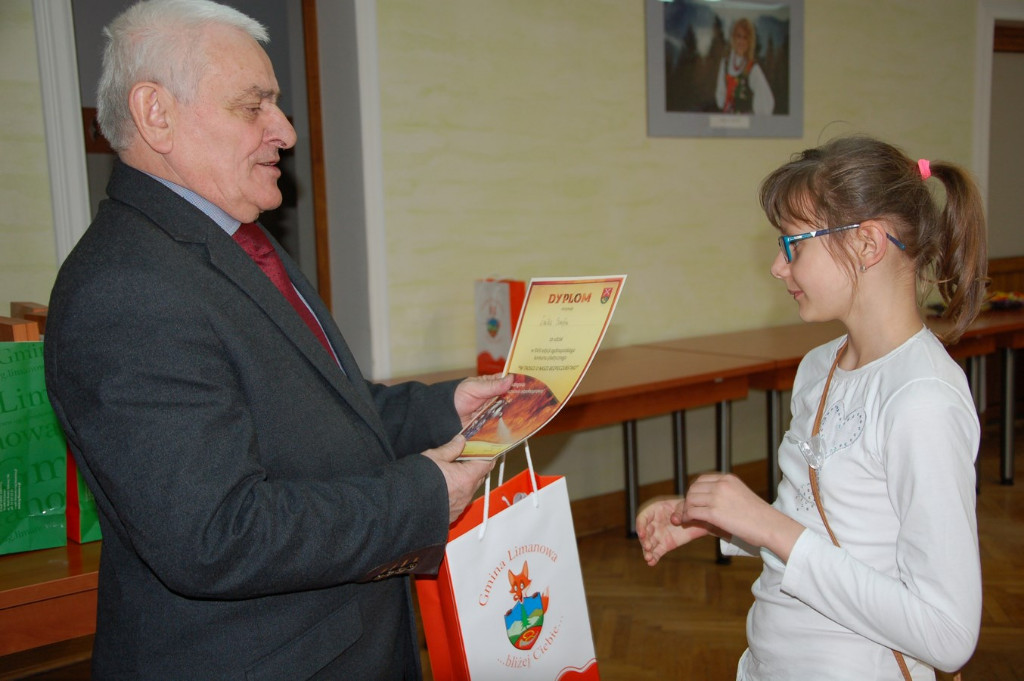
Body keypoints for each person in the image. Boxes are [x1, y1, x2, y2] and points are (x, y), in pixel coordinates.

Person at [43, 1, 512, 678]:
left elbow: (318, 413)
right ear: (156, 114)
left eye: (277, 104)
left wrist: (446, 408)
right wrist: (421, 498)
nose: (285, 131)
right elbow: (216, 533)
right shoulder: (124, 288)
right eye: (252, 106)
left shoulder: (232, 239)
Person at [637, 136, 986, 680]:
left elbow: (948, 635)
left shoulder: (923, 401)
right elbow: (826, 531)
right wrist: (721, 522)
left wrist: (767, 526)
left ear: (868, 243)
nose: (778, 267)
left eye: (793, 245)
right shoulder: (820, 366)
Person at [715, 18, 775, 115]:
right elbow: (720, 96)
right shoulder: (725, 63)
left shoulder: (752, 68)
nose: (741, 41)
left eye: (745, 37)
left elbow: (765, 98)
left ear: (749, 41)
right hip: (726, 119)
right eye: (739, 36)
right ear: (733, 38)